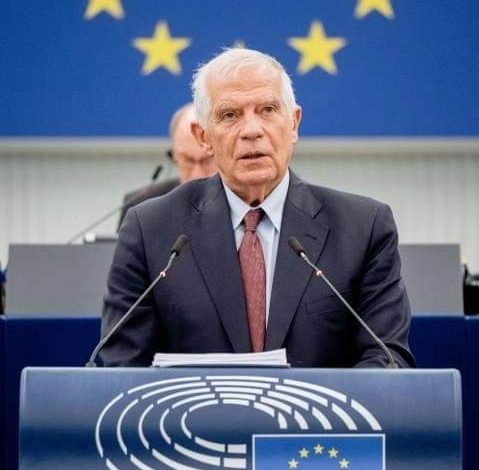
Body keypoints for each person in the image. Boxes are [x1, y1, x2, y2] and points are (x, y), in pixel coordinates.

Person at [100, 48, 415, 368]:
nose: (252, 130)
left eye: (267, 110)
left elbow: (387, 360)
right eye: (230, 115)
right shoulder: (149, 230)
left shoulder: (363, 228)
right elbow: (120, 367)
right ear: (203, 137)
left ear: (294, 123)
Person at [117, 103, 216, 227]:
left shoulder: (239, 204)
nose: (197, 175)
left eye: (207, 160)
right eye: (188, 160)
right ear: (173, 155)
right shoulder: (139, 207)